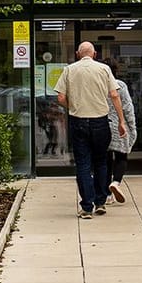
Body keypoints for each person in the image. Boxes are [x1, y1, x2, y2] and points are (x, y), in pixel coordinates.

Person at [54, 42, 127, 219]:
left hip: (78, 121)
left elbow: (60, 97)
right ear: (94, 54)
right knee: (101, 162)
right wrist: (121, 121)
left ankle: (87, 206)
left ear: (78, 54)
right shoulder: (103, 69)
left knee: (83, 164)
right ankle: (101, 201)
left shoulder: (69, 70)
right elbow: (115, 95)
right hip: (100, 121)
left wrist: (74, 106)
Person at [102, 58, 137, 204]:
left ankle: (107, 195)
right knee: (122, 156)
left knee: (105, 160)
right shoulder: (120, 85)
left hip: (102, 125)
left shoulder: (99, 86)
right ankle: (116, 182)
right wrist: (132, 127)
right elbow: (128, 107)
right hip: (119, 125)